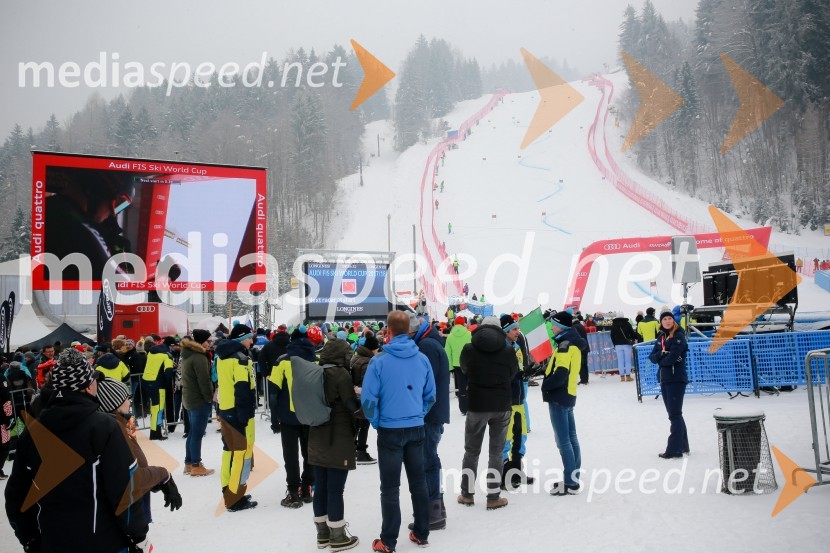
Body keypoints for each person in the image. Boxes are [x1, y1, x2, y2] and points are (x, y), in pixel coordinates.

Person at [5, 349, 153, 552]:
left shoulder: (31, 434)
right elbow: (125, 489)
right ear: (86, 387)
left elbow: (16, 495)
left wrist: (29, 538)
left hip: (52, 543)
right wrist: (138, 536)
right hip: (105, 542)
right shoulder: (105, 427)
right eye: (93, 379)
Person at [361, 311, 436, 552]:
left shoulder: (379, 361)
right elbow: (431, 395)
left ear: (388, 331)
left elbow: (368, 400)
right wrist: (418, 413)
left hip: (390, 430)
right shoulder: (422, 359)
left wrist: (377, 422)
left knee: (390, 487)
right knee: (419, 482)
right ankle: (421, 532)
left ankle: (388, 540)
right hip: (415, 427)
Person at [95, 377, 182, 525]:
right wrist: (163, 476)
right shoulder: (115, 433)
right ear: (115, 404)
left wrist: (156, 481)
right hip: (126, 518)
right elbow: (132, 475)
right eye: (126, 398)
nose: (130, 402)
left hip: (132, 511)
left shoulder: (122, 425)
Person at [308, 338, 362, 552]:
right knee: (335, 489)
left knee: (320, 486)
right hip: (338, 436)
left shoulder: (316, 371)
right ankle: (338, 537)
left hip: (316, 436)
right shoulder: (340, 374)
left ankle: (322, 534)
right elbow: (351, 405)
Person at [457, 316, 516, 510]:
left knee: (471, 451)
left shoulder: (469, 348)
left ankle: (467, 494)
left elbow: (464, 369)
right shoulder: (508, 349)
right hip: (501, 405)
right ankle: (493, 497)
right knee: (496, 452)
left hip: (476, 404)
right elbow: (513, 372)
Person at [410, 315, 451, 530]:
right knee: (429, 459)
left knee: (428, 461)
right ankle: (436, 508)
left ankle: (433, 513)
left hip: (430, 413)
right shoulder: (429, 341)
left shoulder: (426, 345)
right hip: (433, 412)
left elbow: (425, 383)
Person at [269, 326, 317, 508]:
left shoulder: (282, 361)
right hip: (311, 415)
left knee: (291, 455)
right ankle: (307, 488)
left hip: (288, 416)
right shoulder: (316, 359)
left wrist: (275, 419)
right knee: (309, 453)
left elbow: (273, 392)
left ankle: (293, 491)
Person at [215, 324, 258, 511]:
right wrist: (244, 413)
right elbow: (242, 389)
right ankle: (234, 498)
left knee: (228, 452)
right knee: (239, 454)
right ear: (241, 339)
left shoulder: (222, 356)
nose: (251, 340)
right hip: (237, 411)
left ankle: (228, 490)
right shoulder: (240, 359)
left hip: (225, 408)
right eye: (249, 337)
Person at [543, 311, 586, 495]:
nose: (551, 327)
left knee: (563, 441)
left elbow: (560, 374)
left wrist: (546, 385)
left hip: (559, 396)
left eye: (553, 324)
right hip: (568, 394)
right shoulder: (571, 343)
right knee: (571, 437)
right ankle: (573, 478)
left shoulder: (565, 346)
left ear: (562, 326)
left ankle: (570, 482)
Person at [649, 312, 690, 459]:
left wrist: (662, 359)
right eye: (664, 319)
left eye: (669, 319)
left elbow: (673, 357)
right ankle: (683, 446)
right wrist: (661, 355)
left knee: (674, 415)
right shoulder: (661, 337)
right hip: (665, 379)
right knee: (675, 414)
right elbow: (652, 356)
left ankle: (674, 449)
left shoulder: (678, 335)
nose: (667, 321)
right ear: (661, 322)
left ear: (674, 321)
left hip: (676, 379)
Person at [500, 314, 533, 488]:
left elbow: (519, 366)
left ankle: (517, 469)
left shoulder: (516, 344)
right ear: (505, 330)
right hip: (507, 399)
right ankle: (507, 472)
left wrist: (526, 372)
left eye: (518, 328)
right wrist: (516, 375)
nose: (518, 331)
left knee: (520, 436)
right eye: (514, 329)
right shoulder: (501, 347)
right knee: (507, 437)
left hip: (519, 396)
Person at [180, 330, 216, 477]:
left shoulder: (188, 355)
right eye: (208, 340)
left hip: (189, 398)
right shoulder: (199, 357)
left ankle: (189, 463)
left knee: (192, 433)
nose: (210, 343)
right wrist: (209, 398)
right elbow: (204, 381)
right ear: (201, 341)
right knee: (197, 434)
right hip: (199, 400)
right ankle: (196, 465)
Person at [351, 333, 380, 465]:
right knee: (364, 425)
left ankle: (352, 449)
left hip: (353, 398)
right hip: (362, 397)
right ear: (372, 349)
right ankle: (361, 452)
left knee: (356, 425)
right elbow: (366, 384)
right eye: (377, 349)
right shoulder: (368, 362)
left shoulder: (355, 357)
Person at [142, 336, 177, 440]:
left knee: (154, 408)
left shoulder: (152, 352)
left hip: (146, 380)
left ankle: (154, 432)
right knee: (159, 409)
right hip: (158, 383)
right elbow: (168, 373)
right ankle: (156, 434)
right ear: (171, 346)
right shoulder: (167, 356)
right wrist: (168, 385)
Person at [259, 324, 291, 434]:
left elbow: (261, 359)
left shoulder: (269, 345)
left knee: (274, 400)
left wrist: (265, 373)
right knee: (288, 399)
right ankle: (287, 422)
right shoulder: (290, 345)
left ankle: (275, 424)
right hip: (289, 375)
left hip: (273, 376)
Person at [444, 316, 472, 416]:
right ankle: (471, 406)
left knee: (461, 386)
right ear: (464, 323)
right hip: (469, 364)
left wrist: (450, 367)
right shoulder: (469, 334)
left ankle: (463, 408)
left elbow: (447, 353)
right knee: (471, 385)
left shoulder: (450, 337)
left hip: (457, 365)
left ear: (454, 324)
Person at [611, 314, 638, 382]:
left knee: (620, 361)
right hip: (627, 344)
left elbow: (612, 335)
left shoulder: (614, 325)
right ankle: (628, 376)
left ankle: (622, 377)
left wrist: (615, 344)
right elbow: (632, 333)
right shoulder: (627, 323)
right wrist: (634, 338)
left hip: (617, 345)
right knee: (627, 361)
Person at [571, 315, 591, 385]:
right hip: (585, 347)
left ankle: (583, 380)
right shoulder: (581, 325)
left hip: (580, 348)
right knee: (584, 364)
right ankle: (586, 379)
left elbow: (575, 338)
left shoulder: (574, 327)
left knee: (581, 364)